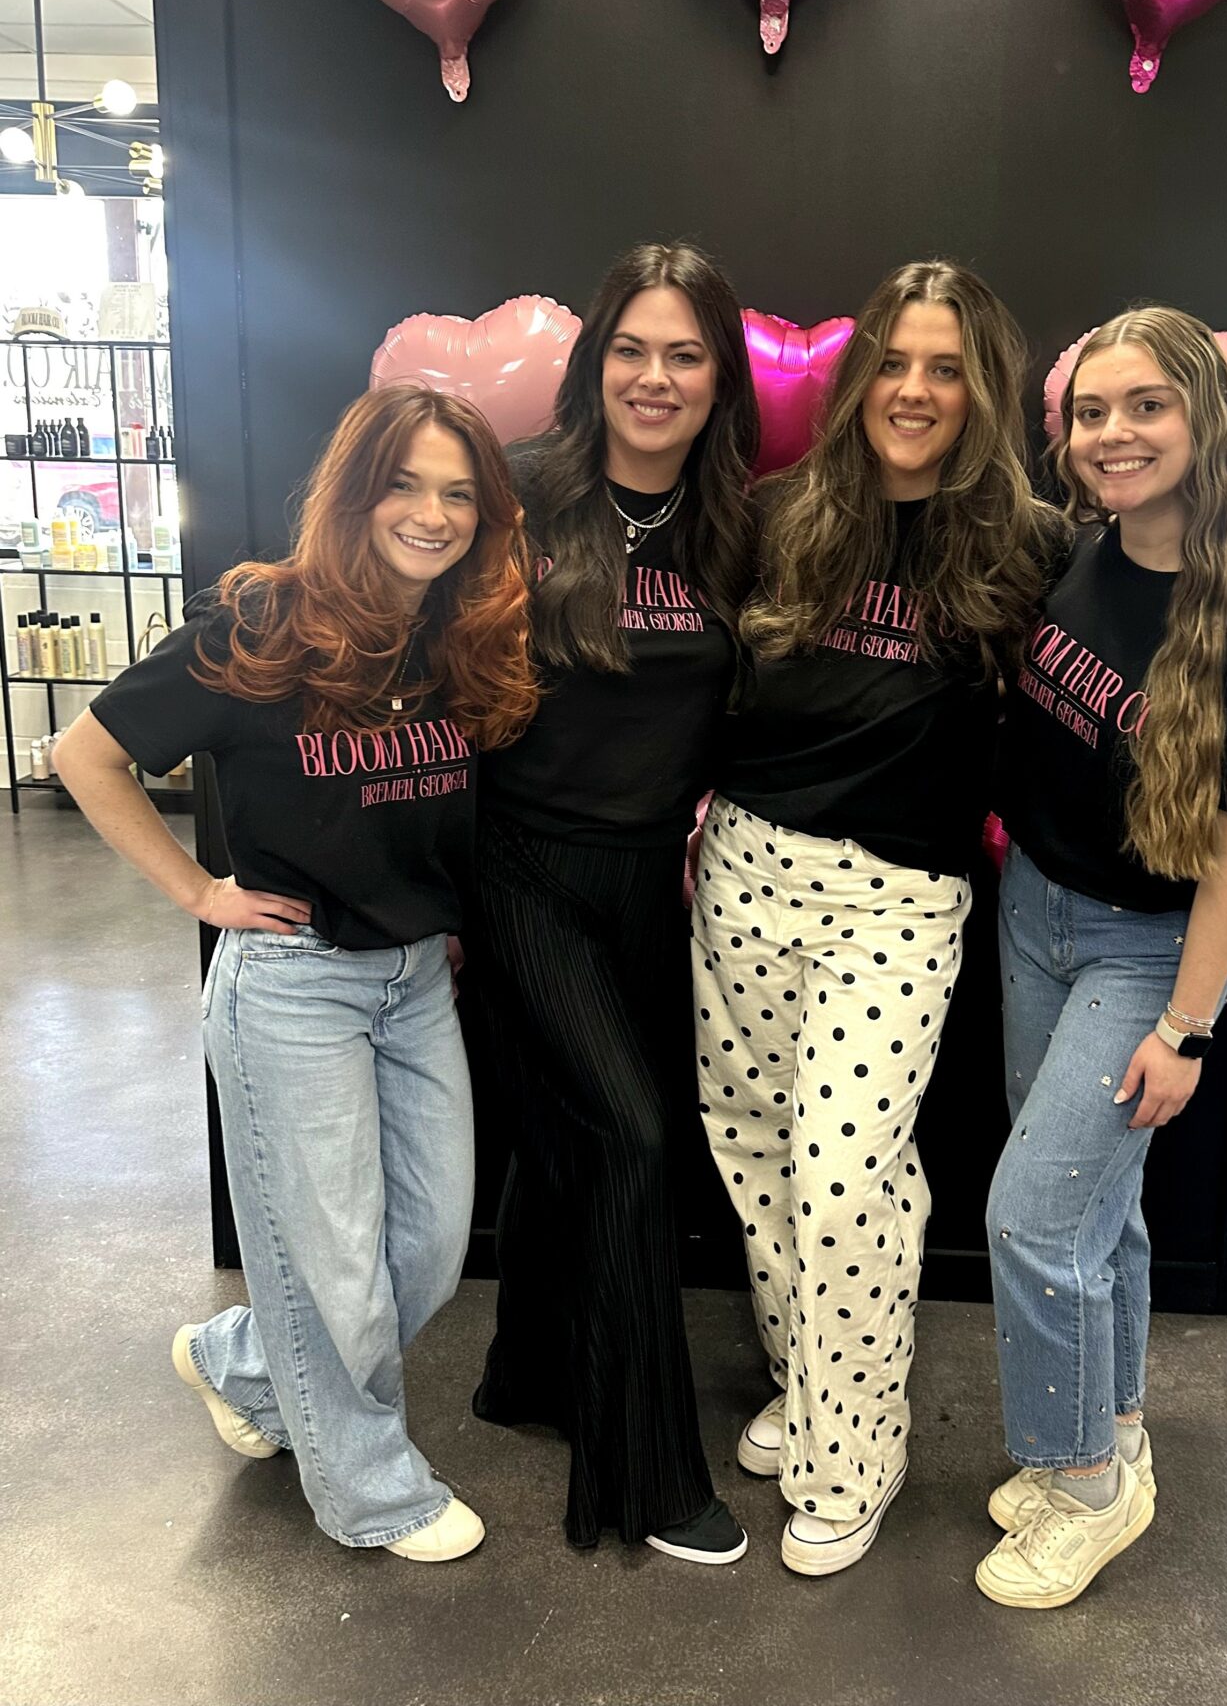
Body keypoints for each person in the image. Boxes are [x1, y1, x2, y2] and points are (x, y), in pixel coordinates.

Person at [52, 385, 538, 1560]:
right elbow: (85, 753)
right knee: (333, 1273)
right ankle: (371, 1491)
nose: (431, 513)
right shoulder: (261, 621)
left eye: (458, 493)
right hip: (292, 982)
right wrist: (199, 890)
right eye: (405, 483)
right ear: (356, 489)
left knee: (426, 1246)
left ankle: (242, 1358)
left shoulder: (454, 632)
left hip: (414, 977)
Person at [693, 260, 1066, 1576]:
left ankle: (856, 1449)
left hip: (898, 900)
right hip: (746, 869)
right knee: (755, 1154)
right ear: (858, 380)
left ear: (982, 390)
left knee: (847, 1174)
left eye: (945, 368)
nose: (914, 390)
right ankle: (809, 1384)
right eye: (894, 362)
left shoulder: (1027, 541)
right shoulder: (777, 514)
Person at [977, 307, 1227, 1609]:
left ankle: (1081, 1486)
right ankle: (1112, 1430)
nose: (1112, 434)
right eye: (1091, 411)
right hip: (1035, 911)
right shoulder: (1083, 551)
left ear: (1205, 420)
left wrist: (1185, 1029)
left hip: (1149, 952)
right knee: (1094, 1211)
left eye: (1145, 407)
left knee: (1032, 1219)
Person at [469, 241, 759, 1563]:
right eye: (631, 348)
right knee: (633, 1143)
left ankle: (524, 1372)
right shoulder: (520, 492)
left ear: (719, 378)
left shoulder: (735, 527)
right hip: (521, 868)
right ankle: (647, 1476)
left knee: (564, 1137)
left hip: (651, 880)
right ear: (595, 362)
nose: (655, 376)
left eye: (684, 354)